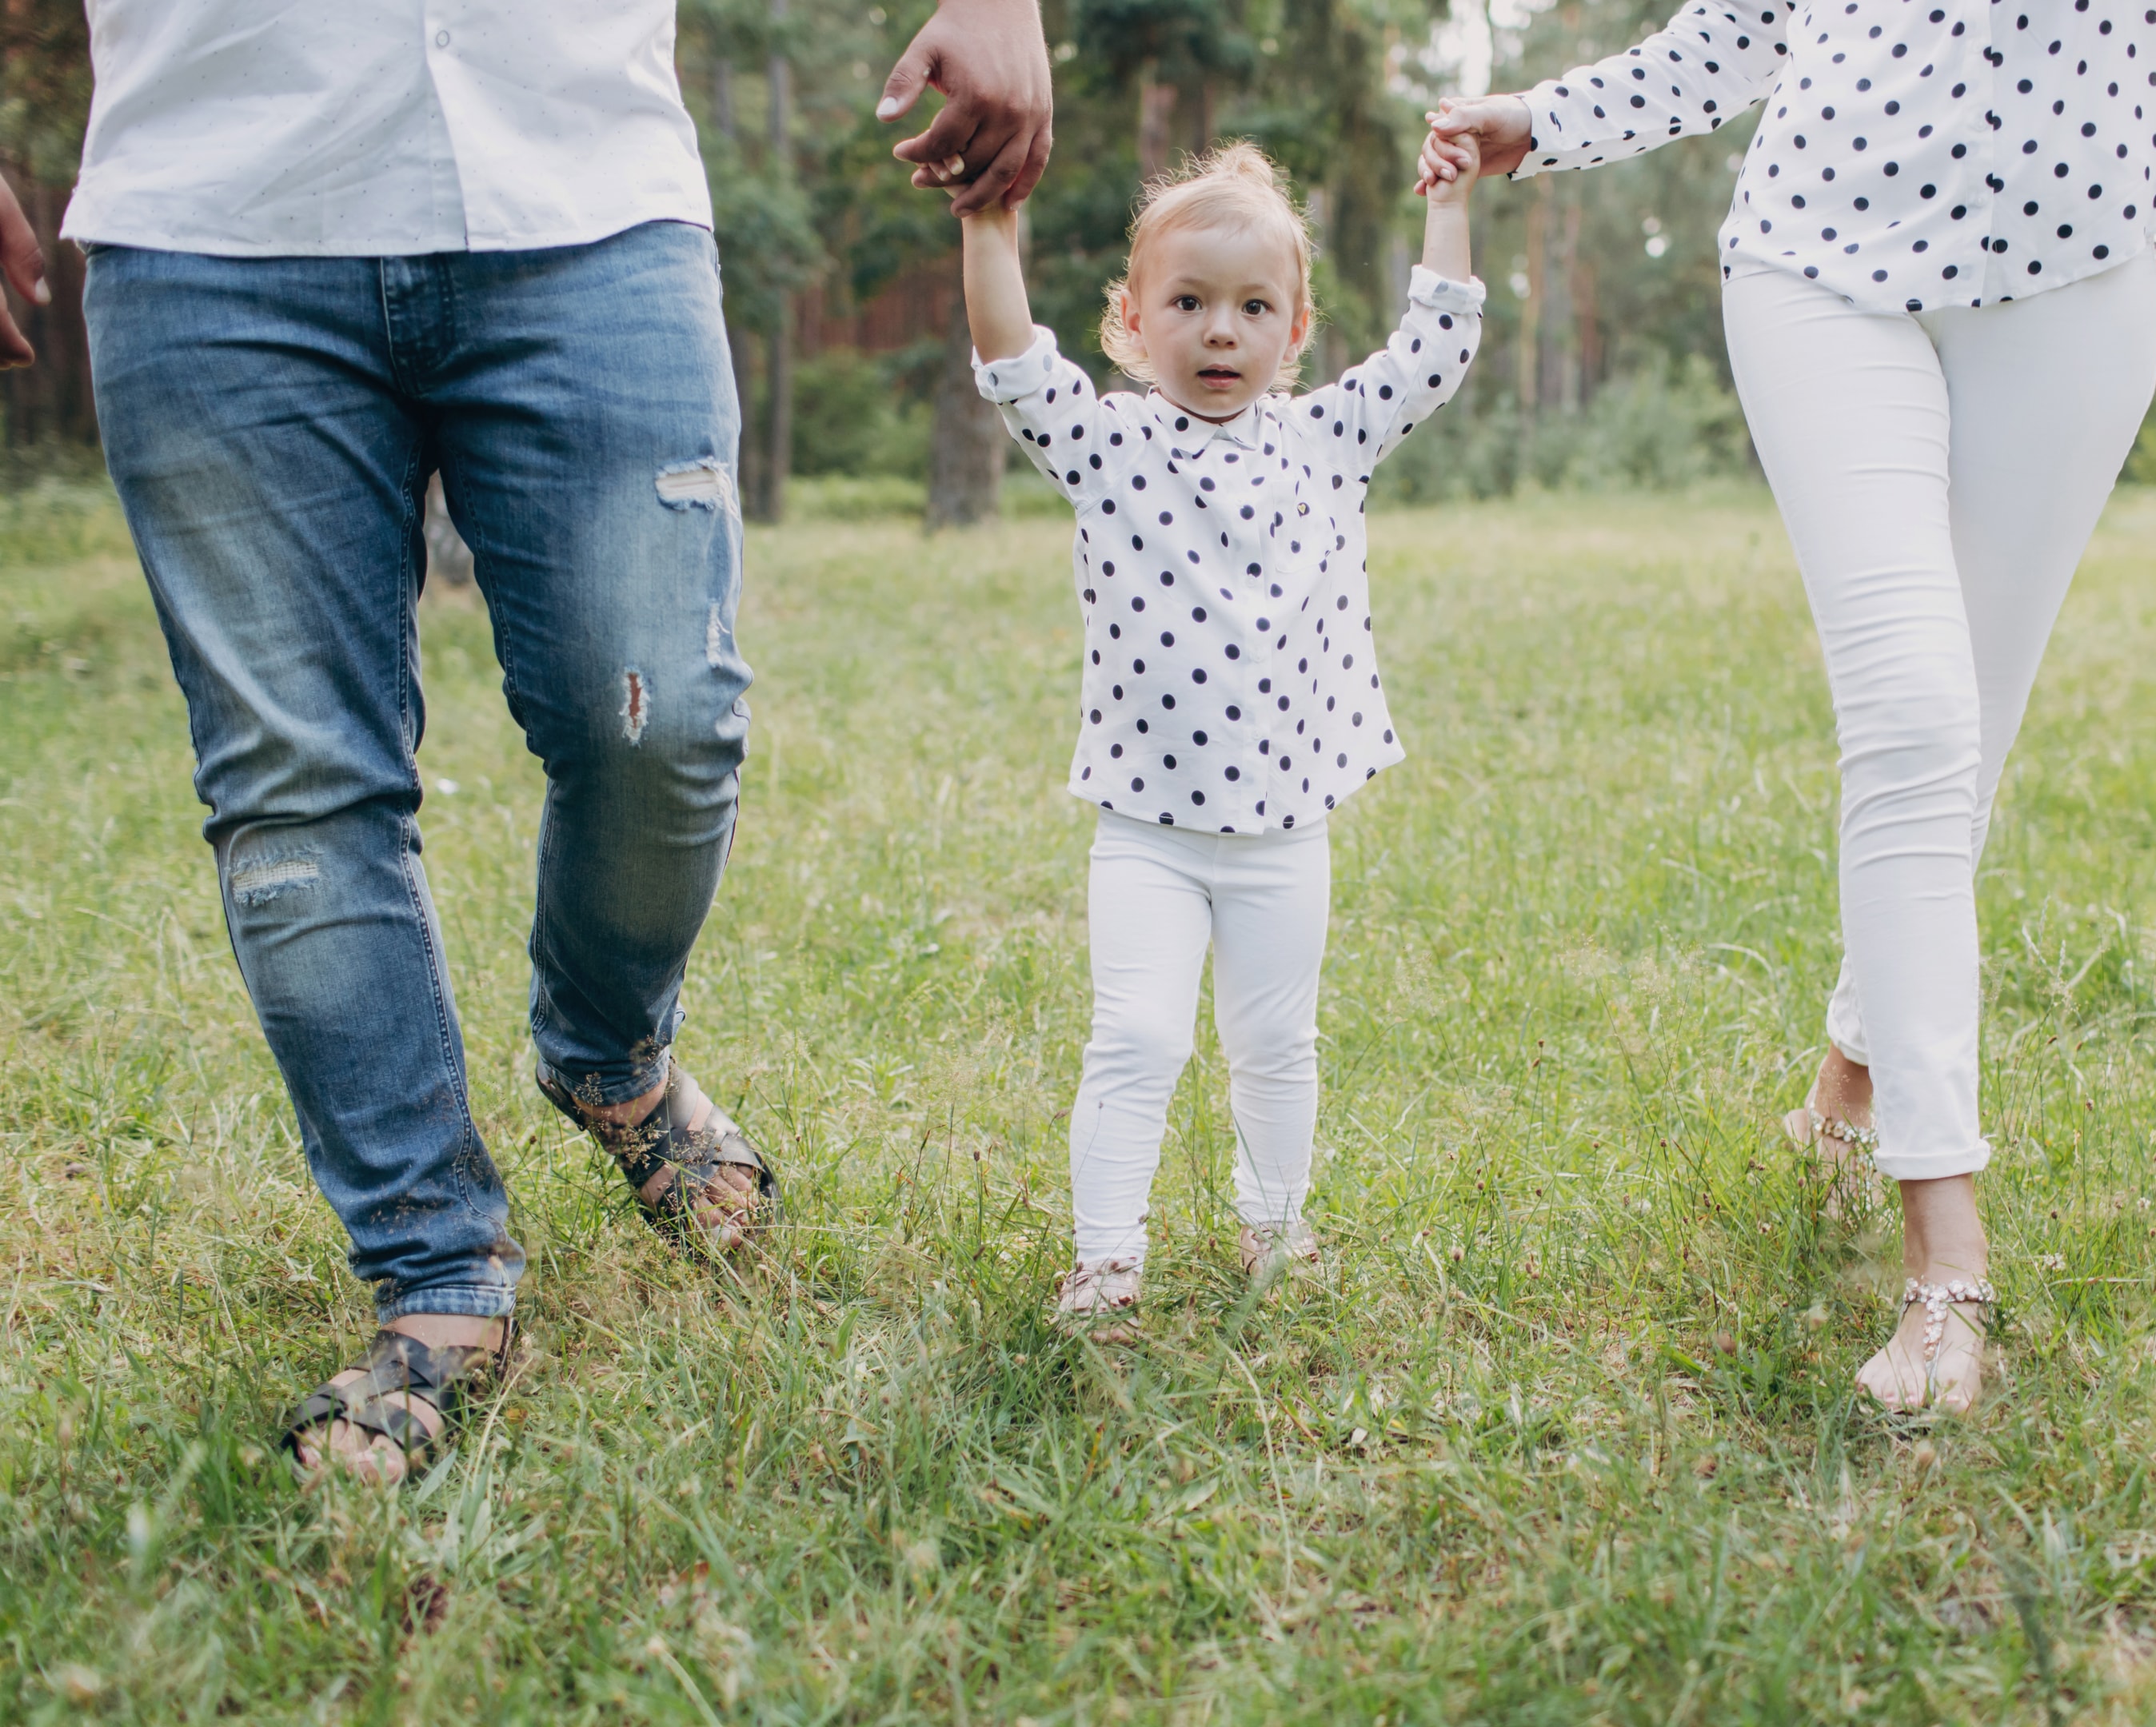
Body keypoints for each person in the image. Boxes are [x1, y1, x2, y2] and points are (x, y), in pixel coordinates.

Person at [0, 0, 1051, 1483]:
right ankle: (437, 1274)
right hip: (214, 214)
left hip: (582, 188)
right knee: (298, 793)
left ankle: (606, 1053)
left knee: (662, 722)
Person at [1420, 0, 2156, 1411]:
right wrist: (1542, 124)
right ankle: (1946, 1261)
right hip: (1822, 260)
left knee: (1967, 733)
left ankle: (1845, 1091)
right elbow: (1736, 32)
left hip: (2077, 262)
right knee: (1915, 721)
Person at [951, 140, 1486, 1338]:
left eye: (1253, 308)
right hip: (1147, 828)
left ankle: (1276, 1225)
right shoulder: (1109, 448)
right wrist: (989, 228)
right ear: (1134, 323)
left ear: (1295, 333)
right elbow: (1011, 362)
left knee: (1276, 1044)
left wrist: (1447, 208)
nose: (1221, 332)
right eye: (1188, 305)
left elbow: (1434, 357)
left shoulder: (1326, 442)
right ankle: (1103, 1259)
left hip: (1287, 830)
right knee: (1135, 1035)